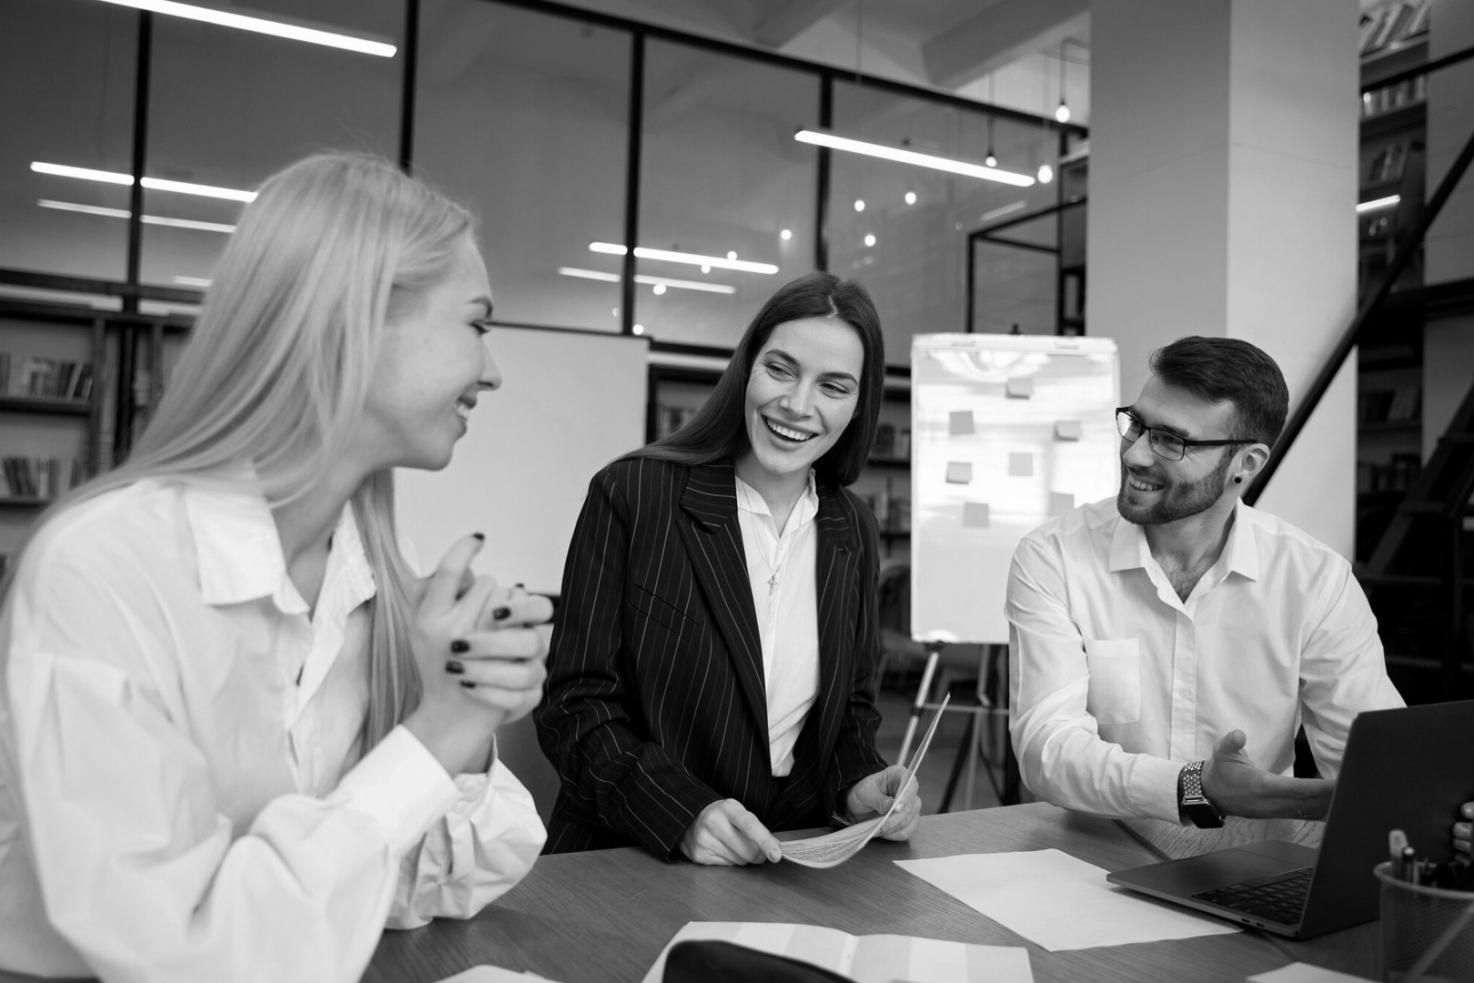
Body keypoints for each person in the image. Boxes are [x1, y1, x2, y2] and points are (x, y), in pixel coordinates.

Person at [0, 153, 551, 982]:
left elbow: (417, 888)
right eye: (477, 323)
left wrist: (467, 719)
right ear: (356, 315)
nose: (494, 370)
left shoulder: (367, 583)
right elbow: (182, 955)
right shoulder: (105, 567)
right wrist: (432, 733)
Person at [535, 272, 921, 864]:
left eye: (834, 386)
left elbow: (850, 711)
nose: (798, 405)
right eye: (782, 369)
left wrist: (856, 784)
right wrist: (680, 811)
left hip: (787, 861)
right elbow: (575, 705)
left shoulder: (854, 529)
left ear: (859, 405)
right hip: (630, 857)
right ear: (748, 367)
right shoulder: (634, 495)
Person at [1006, 335, 1403, 826]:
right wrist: (1192, 787)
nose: (1135, 455)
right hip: (1098, 860)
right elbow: (1047, 748)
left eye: (1172, 440)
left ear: (1247, 464)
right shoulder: (1054, 557)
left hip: (1258, 864)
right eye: (1137, 425)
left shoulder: (1315, 580)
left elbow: (1374, 761)